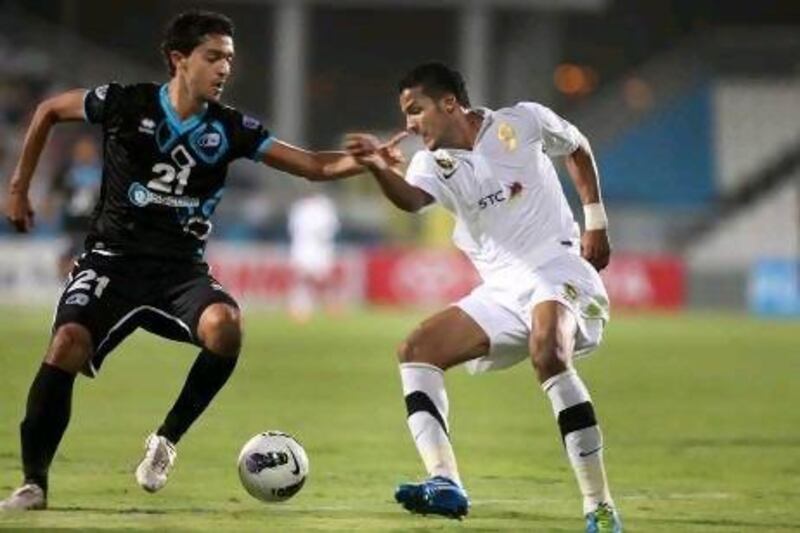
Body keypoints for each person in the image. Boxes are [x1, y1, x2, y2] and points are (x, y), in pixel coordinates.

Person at [1, 10, 371, 511]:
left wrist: (363, 160)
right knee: (67, 343)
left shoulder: (231, 128)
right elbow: (47, 110)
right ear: (180, 59)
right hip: (112, 262)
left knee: (226, 327)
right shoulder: (125, 103)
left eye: (230, 59)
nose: (224, 69)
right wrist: (21, 188)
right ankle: (33, 483)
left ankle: (166, 441)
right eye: (213, 57)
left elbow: (310, 165)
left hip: (180, 273)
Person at [345, 62, 622, 532]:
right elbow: (413, 200)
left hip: (557, 267)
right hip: (502, 289)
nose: (409, 124)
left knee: (548, 351)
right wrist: (375, 167)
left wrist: (595, 220)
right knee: (416, 350)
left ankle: (599, 506)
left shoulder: (524, 120)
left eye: (416, 110)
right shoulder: (431, 163)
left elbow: (577, 148)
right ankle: (445, 482)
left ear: (449, 103)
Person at [48, 134, 103, 277]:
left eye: (88, 150)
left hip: (93, 229)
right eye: (82, 150)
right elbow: (54, 194)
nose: (85, 153)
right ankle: (63, 287)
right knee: (64, 260)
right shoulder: (66, 171)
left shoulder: (103, 172)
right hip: (69, 227)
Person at [287, 191, 341, 322]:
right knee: (303, 279)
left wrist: (321, 235)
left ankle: (331, 304)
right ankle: (301, 308)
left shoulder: (325, 206)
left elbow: (331, 228)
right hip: (303, 248)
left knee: (324, 279)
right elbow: (294, 228)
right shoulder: (299, 207)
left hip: (321, 249)